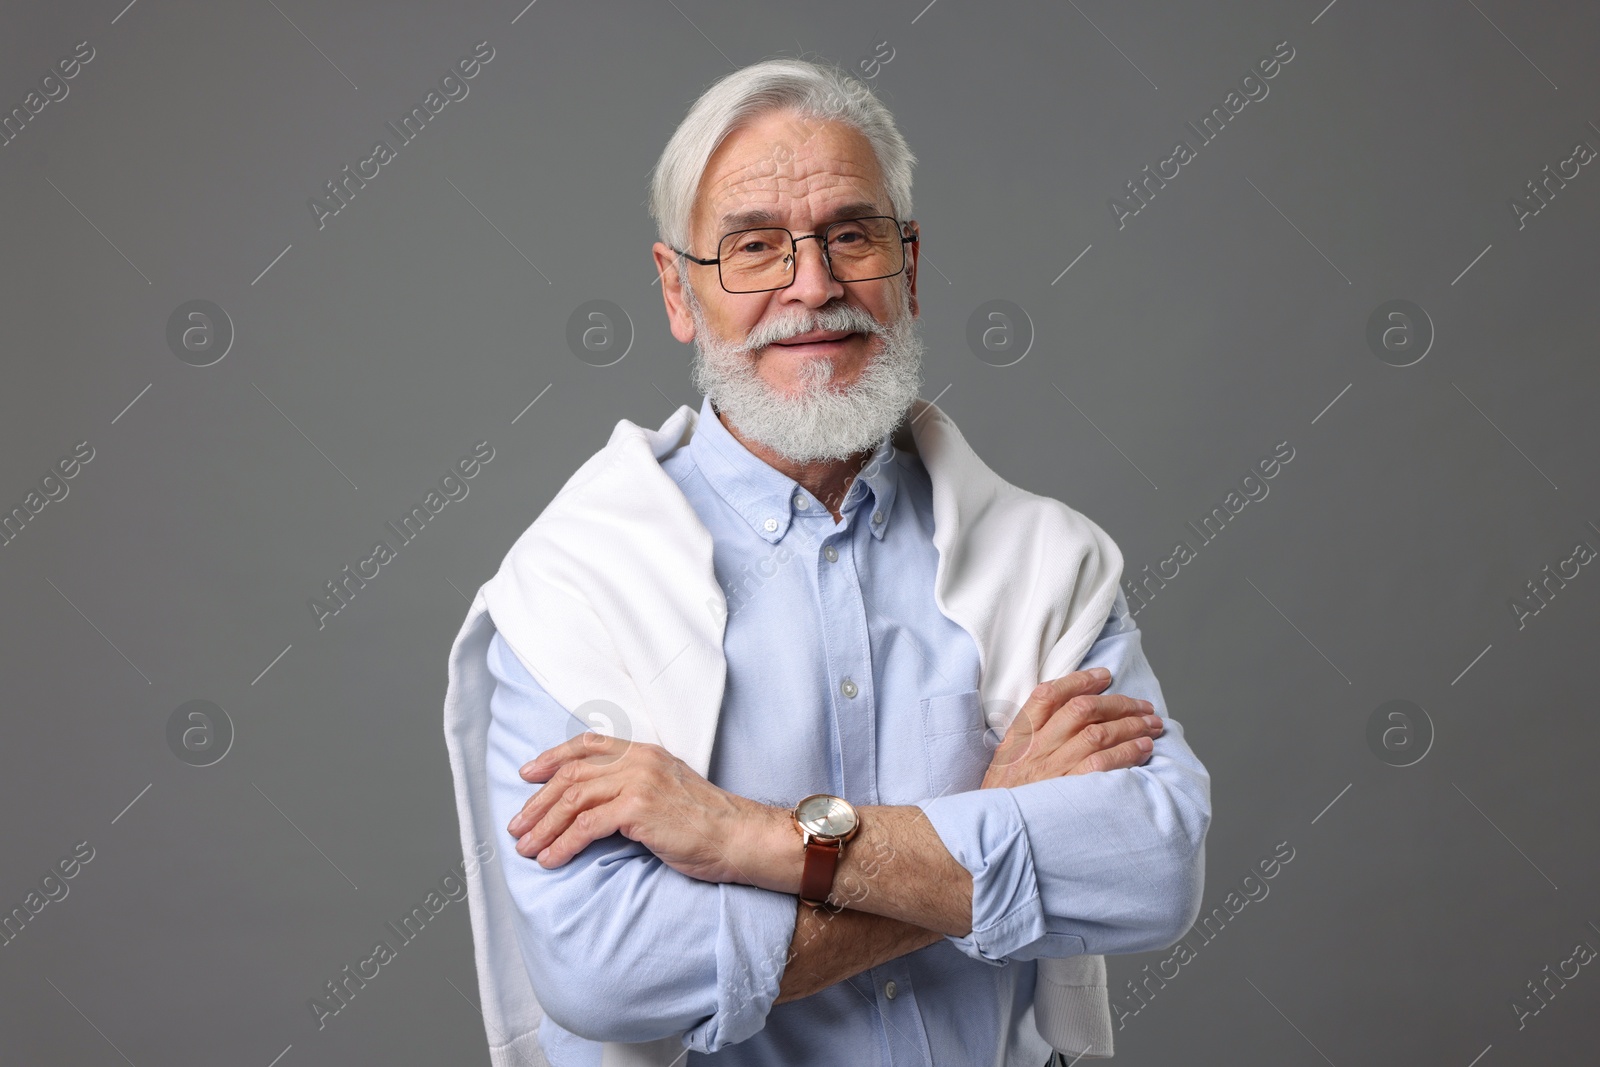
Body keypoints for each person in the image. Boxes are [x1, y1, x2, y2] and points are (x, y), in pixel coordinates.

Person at [442, 57, 1211, 1067]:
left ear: (909, 263)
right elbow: (603, 970)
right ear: (678, 290)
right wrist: (988, 836)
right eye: (753, 247)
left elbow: (1153, 867)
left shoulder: (1043, 559)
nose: (813, 286)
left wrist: (748, 836)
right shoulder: (573, 585)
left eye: (851, 233)